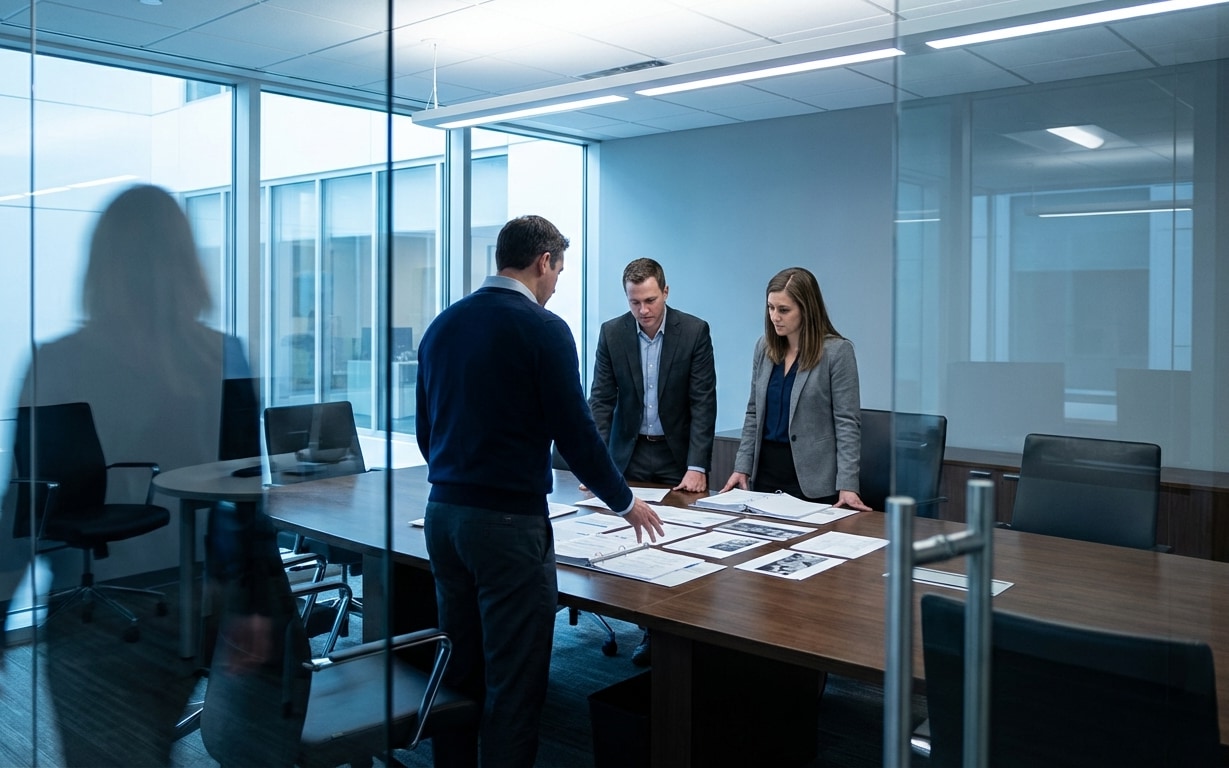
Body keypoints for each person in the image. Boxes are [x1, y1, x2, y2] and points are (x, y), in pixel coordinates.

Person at [1, 184, 283, 766]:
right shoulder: (222, 354)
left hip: (97, 612)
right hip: (193, 598)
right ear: (187, 263)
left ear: (100, 264)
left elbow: (21, 508)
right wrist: (254, 603)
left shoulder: (54, 360)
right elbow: (247, 495)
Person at [415, 214, 664, 768]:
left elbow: (425, 431)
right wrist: (625, 501)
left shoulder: (443, 325)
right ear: (543, 262)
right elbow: (575, 433)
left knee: (459, 667)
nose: (556, 285)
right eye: (558, 271)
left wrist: (461, 476)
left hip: (444, 518)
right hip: (508, 528)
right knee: (515, 681)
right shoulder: (543, 329)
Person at [587, 257, 716, 667]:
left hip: (676, 456)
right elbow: (602, 401)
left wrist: (698, 465)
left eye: (649, 300)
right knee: (635, 542)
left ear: (665, 291)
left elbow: (702, 402)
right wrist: (595, 467)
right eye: (634, 302)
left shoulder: (693, 331)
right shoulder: (612, 334)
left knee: (678, 543)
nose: (643, 311)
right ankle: (645, 631)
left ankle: (675, 632)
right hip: (631, 453)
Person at [720, 267, 871, 511]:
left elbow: (847, 423)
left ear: (806, 309)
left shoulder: (837, 352)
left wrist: (848, 484)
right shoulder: (764, 347)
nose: (775, 317)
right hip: (766, 474)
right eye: (770, 308)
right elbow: (753, 413)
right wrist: (742, 467)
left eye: (784, 310)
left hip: (812, 480)